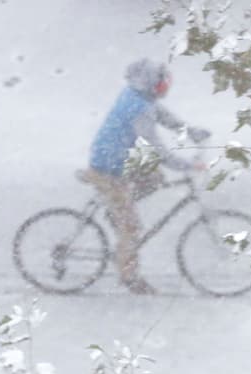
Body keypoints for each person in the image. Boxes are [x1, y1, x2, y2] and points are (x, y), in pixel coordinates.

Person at [84, 59, 210, 294]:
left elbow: (164, 117)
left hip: (119, 160)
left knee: (154, 178)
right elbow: (155, 148)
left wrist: (189, 131)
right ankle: (129, 276)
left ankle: (118, 212)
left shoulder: (140, 98)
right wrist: (185, 165)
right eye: (163, 84)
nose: (165, 88)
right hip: (110, 168)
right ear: (151, 83)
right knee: (131, 228)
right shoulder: (138, 108)